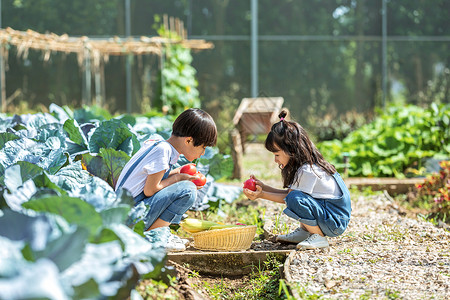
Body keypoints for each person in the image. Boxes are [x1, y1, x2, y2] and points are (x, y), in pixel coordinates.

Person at [243, 110, 351, 249]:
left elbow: (290, 198)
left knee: (296, 199)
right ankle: (305, 232)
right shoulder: (306, 166)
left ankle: (318, 237)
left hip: (335, 222)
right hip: (332, 216)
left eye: (276, 154)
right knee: (296, 196)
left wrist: (262, 195)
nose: (275, 160)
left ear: (291, 150)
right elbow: (290, 193)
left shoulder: (307, 170)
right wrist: (263, 187)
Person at [115, 108, 217, 251]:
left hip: (125, 212)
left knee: (184, 185)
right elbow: (151, 190)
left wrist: (179, 172)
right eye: (203, 147)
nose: (203, 153)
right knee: (188, 190)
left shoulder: (158, 143)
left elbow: (153, 178)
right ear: (189, 140)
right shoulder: (163, 151)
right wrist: (179, 177)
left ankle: (157, 234)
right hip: (131, 217)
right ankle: (155, 237)